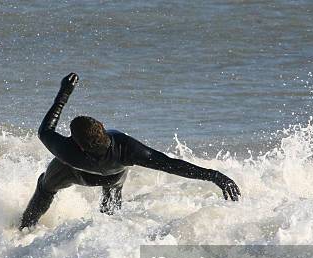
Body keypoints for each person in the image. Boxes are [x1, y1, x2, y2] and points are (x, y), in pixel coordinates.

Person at [20, 73, 241, 229]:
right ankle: (109, 231)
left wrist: (64, 92)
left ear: (77, 144)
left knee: (45, 188)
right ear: (103, 129)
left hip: (72, 171)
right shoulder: (126, 149)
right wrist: (213, 175)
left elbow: (45, 130)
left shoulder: (67, 151)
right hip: (112, 176)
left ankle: (25, 227)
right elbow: (171, 165)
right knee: (113, 196)